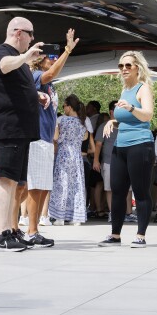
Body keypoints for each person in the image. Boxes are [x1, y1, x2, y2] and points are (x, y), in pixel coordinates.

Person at [0, 17, 46, 253]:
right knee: (6, 179)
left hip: (20, 129)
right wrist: (26, 57)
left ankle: (10, 230)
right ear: (19, 33)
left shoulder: (20, 60)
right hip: (9, 127)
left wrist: (37, 96)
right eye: (30, 34)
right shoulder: (3, 52)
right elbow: (4, 65)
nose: (32, 39)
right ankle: (0, 235)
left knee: (15, 181)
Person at [24, 32, 78, 246]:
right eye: (50, 57)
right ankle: (28, 229)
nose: (54, 61)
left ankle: (33, 229)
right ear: (39, 59)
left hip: (46, 139)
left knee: (43, 186)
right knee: (33, 186)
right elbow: (52, 73)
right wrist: (67, 50)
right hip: (36, 138)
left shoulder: (50, 86)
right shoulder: (36, 76)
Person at [99, 51, 156, 247]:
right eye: (121, 66)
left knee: (140, 192)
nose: (123, 69)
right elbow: (127, 118)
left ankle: (140, 235)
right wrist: (113, 121)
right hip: (120, 146)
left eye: (128, 65)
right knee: (117, 191)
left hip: (140, 145)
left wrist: (131, 108)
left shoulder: (143, 89)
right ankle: (115, 235)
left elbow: (147, 115)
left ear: (137, 68)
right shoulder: (125, 90)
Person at [49, 95, 89, 225]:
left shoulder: (63, 121)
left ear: (69, 107)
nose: (63, 108)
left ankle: (60, 217)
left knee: (62, 184)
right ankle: (76, 217)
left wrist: (55, 126)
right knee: (76, 185)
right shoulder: (82, 122)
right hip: (77, 156)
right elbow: (84, 138)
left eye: (64, 106)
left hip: (64, 155)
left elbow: (56, 138)